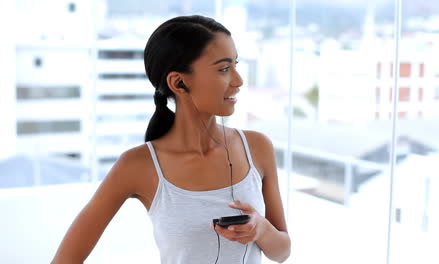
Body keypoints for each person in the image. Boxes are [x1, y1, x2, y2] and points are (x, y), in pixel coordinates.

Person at [51, 15, 290, 264]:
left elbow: (282, 252)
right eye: (224, 69)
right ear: (178, 82)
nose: (239, 80)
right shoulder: (137, 165)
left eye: (235, 66)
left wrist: (260, 229)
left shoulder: (257, 148)